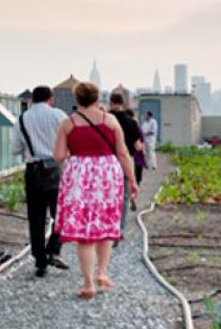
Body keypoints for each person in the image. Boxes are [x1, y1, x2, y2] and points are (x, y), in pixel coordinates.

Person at [52, 82, 138, 299]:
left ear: (76, 99)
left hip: (80, 175)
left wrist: (75, 151)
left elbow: (59, 156)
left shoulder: (68, 123)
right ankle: (102, 273)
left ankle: (88, 283)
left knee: (84, 233)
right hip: (107, 174)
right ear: (97, 97)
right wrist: (132, 180)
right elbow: (123, 153)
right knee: (106, 224)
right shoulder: (110, 120)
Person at [10, 86, 70, 277]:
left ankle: (40, 261)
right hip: (56, 169)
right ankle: (53, 249)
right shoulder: (59, 116)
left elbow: (15, 149)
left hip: (33, 171)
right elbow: (70, 141)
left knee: (36, 217)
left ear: (31, 100)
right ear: (50, 99)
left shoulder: (22, 118)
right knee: (62, 213)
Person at [108, 93, 141, 236]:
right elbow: (138, 146)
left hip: (106, 161)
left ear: (110, 102)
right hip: (124, 161)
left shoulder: (104, 119)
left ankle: (106, 225)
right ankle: (118, 229)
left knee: (106, 195)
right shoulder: (131, 122)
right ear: (123, 103)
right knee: (123, 196)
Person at [125, 109, 146, 187]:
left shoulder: (130, 126)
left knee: (133, 176)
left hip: (132, 155)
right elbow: (141, 142)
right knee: (137, 177)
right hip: (136, 156)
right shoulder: (136, 127)